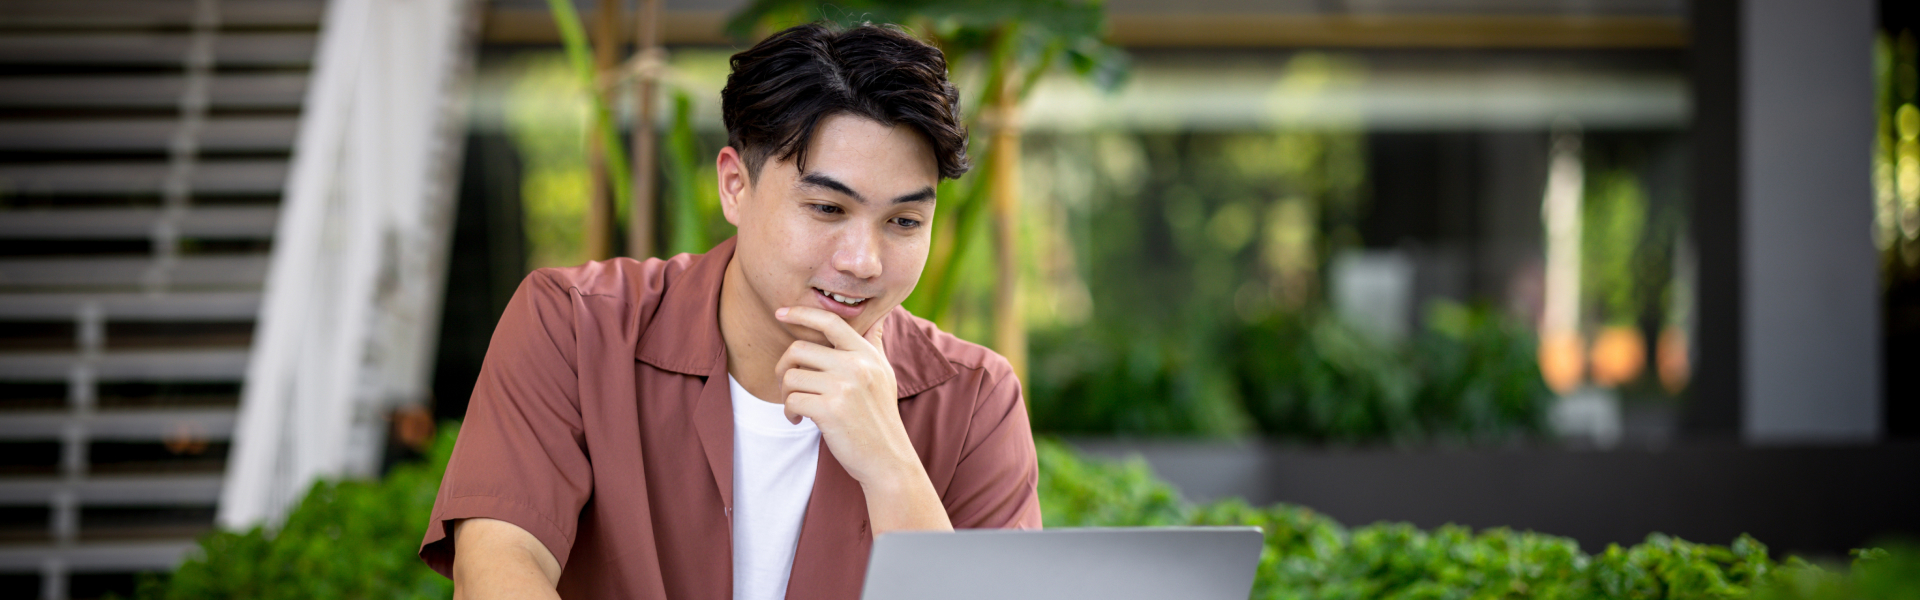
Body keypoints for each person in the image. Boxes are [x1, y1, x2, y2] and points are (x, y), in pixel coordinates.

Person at [417, 22, 1042, 600]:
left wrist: (890, 465)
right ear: (734, 186)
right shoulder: (575, 326)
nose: (863, 260)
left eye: (903, 222)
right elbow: (498, 562)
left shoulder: (975, 399)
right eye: (827, 209)